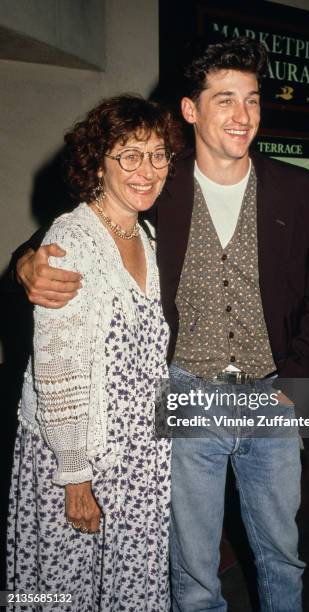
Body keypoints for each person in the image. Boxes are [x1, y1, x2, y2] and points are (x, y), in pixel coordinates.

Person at [15, 39, 309, 612]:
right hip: (186, 393)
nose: (242, 116)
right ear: (191, 110)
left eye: (253, 100)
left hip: (274, 393)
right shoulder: (158, 183)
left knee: (283, 554)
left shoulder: (308, 193)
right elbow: (72, 232)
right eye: (224, 100)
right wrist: (26, 266)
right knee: (192, 568)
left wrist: (296, 384)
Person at [7, 94, 183, 611]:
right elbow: (57, 368)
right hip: (85, 456)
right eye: (128, 155)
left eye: (157, 155)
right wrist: (74, 475)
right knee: (72, 592)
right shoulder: (72, 238)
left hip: (137, 456)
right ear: (97, 164)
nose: (146, 170)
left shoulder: (143, 233)